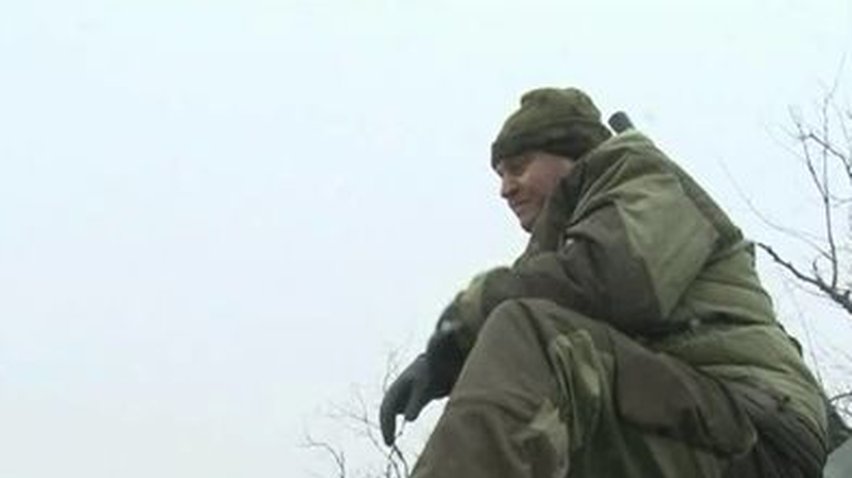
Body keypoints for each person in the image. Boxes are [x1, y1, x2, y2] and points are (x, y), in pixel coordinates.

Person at [379, 87, 829, 478]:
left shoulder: (644, 180)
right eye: (500, 175)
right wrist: (445, 359)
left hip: (759, 434)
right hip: (684, 422)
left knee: (527, 333)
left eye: (518, 167)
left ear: (572, 156)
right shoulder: (560, 246)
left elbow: (611, 285)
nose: (506, 188)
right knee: (535, 424)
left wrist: (459, 329)